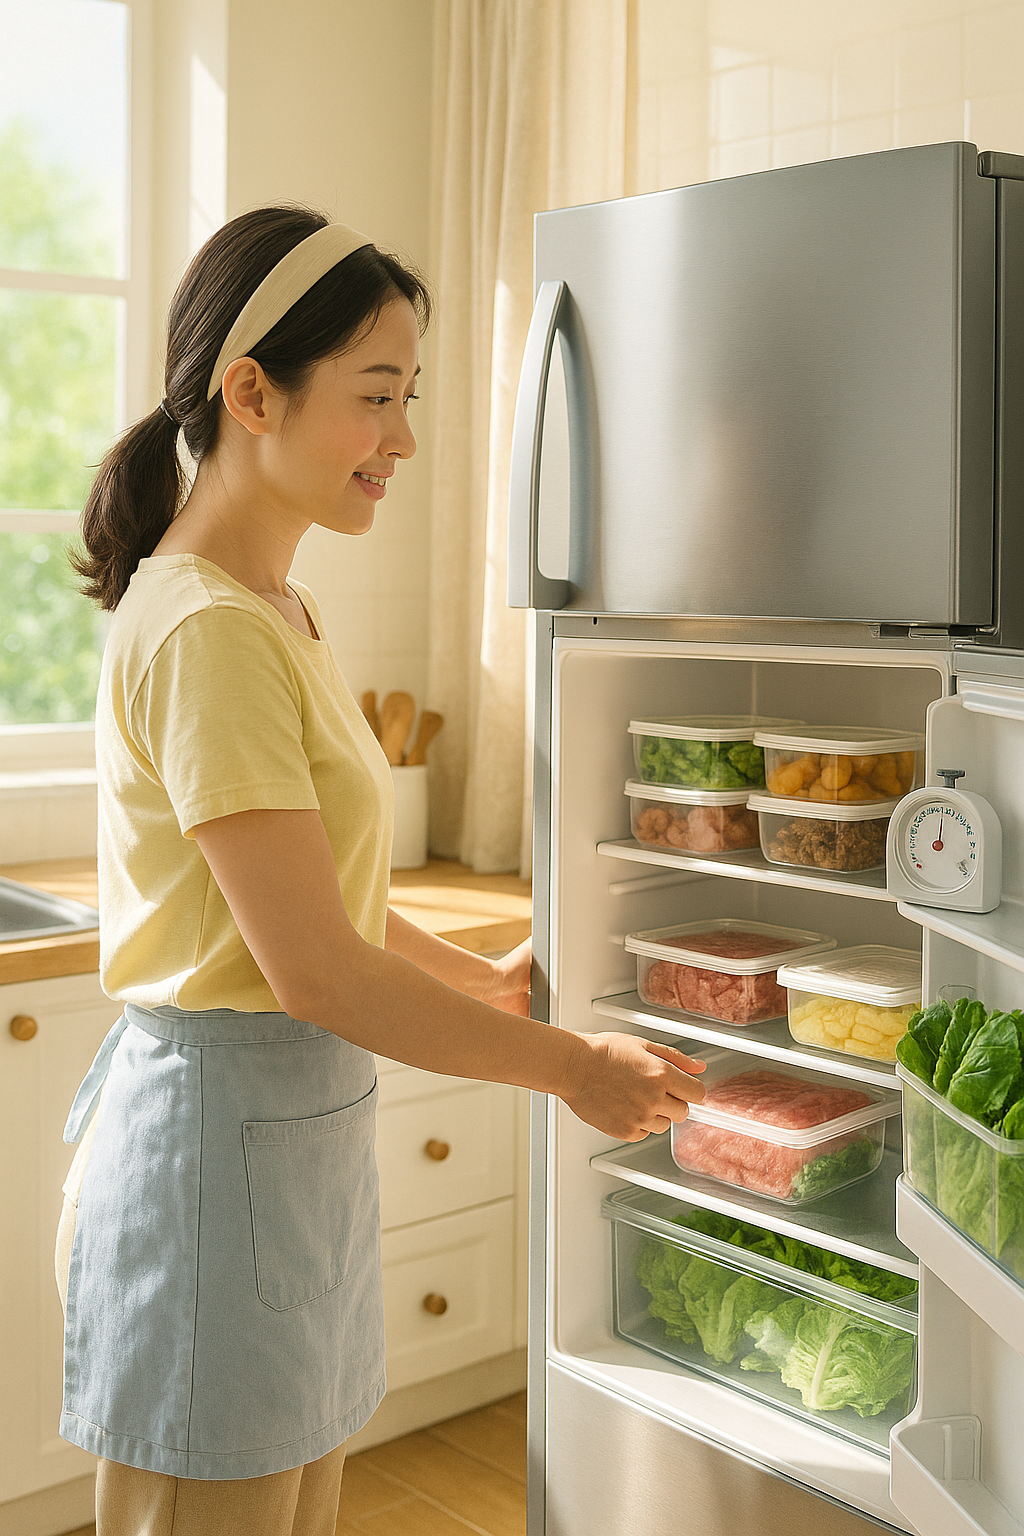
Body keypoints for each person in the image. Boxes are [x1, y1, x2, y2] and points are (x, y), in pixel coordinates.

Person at [56, 205, 706, 1536]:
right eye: (375, 398)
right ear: (251, 392)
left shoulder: (275, 609)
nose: (404, 439)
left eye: (411, 397)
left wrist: (488, 980)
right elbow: (315, 968)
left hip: (285, 1149)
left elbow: (323, 896)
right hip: (211, 1169)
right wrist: (573, 1072)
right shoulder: (207, 632)